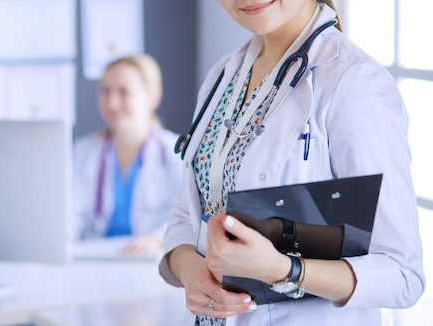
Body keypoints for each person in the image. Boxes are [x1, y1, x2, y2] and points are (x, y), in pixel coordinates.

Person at [159, 1, 425, 325]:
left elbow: (402, 274)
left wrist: (283, 270)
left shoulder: (355, 83)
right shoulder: (223, 76)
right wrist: (190, 270)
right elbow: (187, 212)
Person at [73, 54, 183, 256]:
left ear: (153, 97)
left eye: (124, 92)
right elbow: (68, 218)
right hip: (93, 261)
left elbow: (189, 216)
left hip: (149, 263)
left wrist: (158, 238)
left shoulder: (177, 154)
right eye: (105, 91)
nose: (112, 103)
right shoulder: (81, 153)